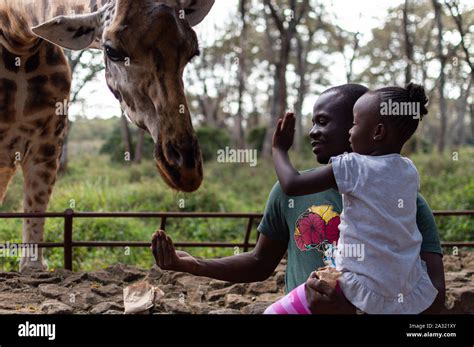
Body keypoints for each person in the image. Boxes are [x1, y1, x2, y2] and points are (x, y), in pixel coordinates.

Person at [151, 84, 445, 314]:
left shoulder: (407, 204)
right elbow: (258, 262)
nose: (311, 132)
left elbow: (434, 299)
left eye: (322, 122)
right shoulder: (287, 195)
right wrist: (192, 264)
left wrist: (350, 313)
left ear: (360, 129)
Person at [265, 83, 437, 314]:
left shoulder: (353, 165)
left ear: (377, 132)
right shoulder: (408, 171)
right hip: (401, 288)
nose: (350, 132)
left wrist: (279, 149)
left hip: (356, 286)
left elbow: (292, 184)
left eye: (354, 124)